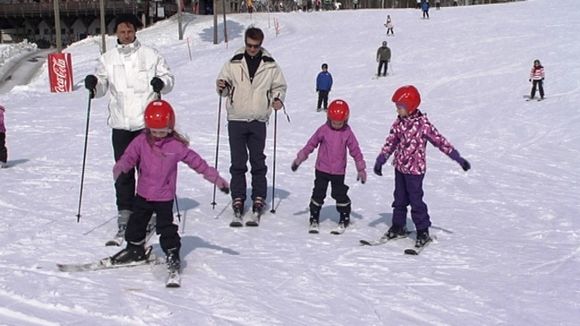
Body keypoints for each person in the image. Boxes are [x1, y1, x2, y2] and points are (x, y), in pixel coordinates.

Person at [83, 13, 175, 244]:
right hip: (121, 124)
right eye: (122, 31)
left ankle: (150, 211)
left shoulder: (150, 54)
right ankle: (125, 214)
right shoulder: (107, 58)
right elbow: (102, 84)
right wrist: (94, 85)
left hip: (146, 125)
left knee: (149, 171)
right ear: (116, 33)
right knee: (124, 173)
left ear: (135, 31)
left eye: (130, 31)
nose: (126, 35)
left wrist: (161, 82)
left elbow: (168, 76)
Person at [110, 100, 229, 270]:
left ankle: (172, 252)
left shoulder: (175, 146)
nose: (158, 135)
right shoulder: (141, 141)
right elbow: (129, 156)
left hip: (164, 197)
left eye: (162, 131)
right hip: (143, 194)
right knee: (136, 224)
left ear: (170, 127)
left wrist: (216, 179)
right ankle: (135, 249)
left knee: (166, 228)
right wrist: (121, 167)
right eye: (154, 131)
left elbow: (198, 163)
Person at [373, 85, 470, 249]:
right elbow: (391, 142)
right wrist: (381, 159)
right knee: (399, 199)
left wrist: (457, 158)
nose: (397, 109)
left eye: (400, 106)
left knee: (416, 201)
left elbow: (440, 141)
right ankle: (398, 226)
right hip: (400, 168)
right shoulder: (399, 123)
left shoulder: (423, 125)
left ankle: (423, 231)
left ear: (410, 106)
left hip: (415, 170)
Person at [216, 27, 287, 227]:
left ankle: (258, 198)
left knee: (258, 161)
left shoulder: (270, 65)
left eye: (256, 46)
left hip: (258, 119)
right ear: (245, 42)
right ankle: (238, 198)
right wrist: (222, 86)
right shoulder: (233, 62)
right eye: (249, 45)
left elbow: (279, 87)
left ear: (261, 44)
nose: (252, 49)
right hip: (237, 118)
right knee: (238, 162)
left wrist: (277, 99)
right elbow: (224, 85)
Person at [291, 99, 366, 233]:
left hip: (338, 171)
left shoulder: (347, 132)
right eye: (334, 122)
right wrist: (300, 158)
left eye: (340, 123)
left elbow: (355, 150)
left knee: (339, 193)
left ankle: (344, 216)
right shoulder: (323, 130)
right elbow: (311, 144)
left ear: (346, 120)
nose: (337, 125)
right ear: (328, 118)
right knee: (318, 192)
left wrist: (361, 168)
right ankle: (314, 217)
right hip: (322, 169)